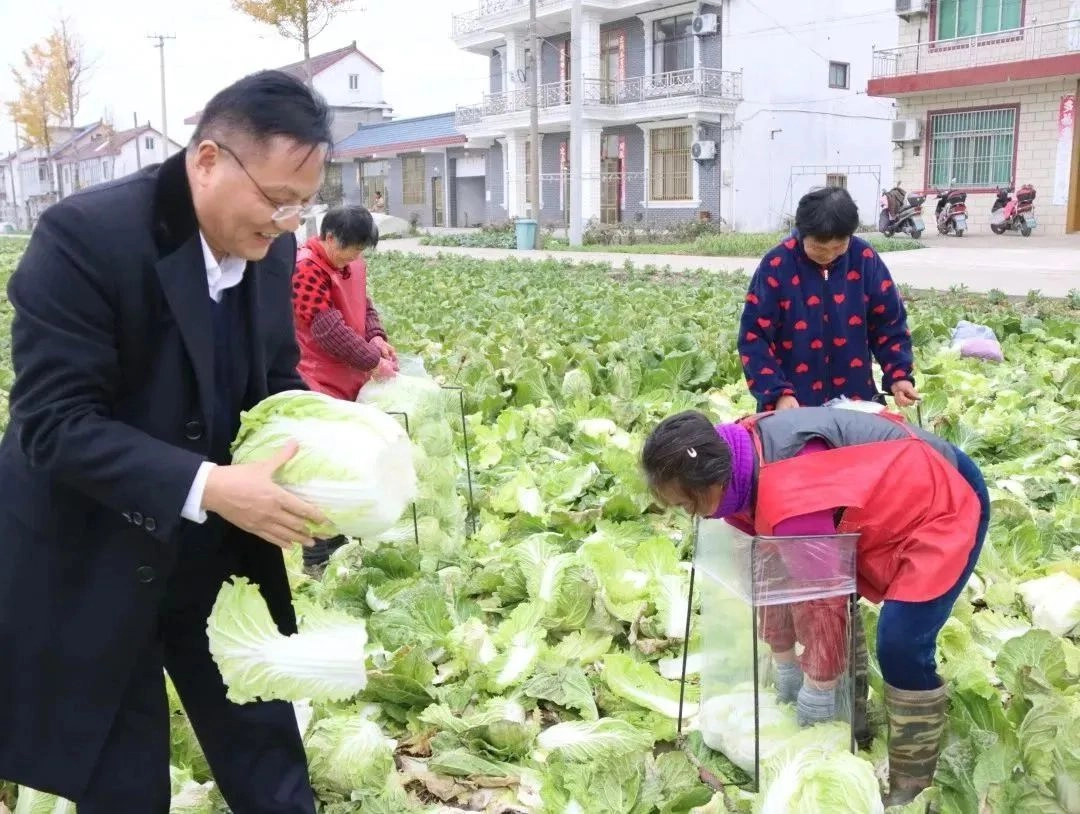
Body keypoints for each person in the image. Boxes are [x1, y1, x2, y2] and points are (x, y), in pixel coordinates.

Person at [0, 70, 334, 813]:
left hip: (216, 551)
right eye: (278, 198)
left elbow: (274, 383)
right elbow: (55, 422)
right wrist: (211, 486)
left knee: (269, 761)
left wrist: (332, 460)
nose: (288, 221)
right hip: (95, 552)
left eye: (302, 203)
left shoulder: (269, 249)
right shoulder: (86, 237)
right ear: (209, 160)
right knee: (123, 786)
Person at [641, 407, 989, 806]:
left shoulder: (791, 495)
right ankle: (854, 724)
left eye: (688, 505)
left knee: (901, 641)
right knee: (833, 597)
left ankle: (912, 777)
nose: (690, 514)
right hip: (880, 500)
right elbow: (772, 578)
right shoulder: (734, 467)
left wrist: (820, 688)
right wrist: (785, 658)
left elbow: (822, 599)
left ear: (710, 481)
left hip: (941, 495)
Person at [738, 187, 920, 412]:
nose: (829, 255)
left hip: (855, 398)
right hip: (791, 403)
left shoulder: (864, 258)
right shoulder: (776, 265)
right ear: (802, 234)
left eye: (838, 247)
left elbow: (889, 324)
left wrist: (899, 375)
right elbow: (754, 337)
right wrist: (777, 393)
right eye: (819, 248)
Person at [291, 204, 397, 574]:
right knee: (319, 468)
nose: (356, 255)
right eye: (352, 247)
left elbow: (363, 307)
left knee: (345, 464)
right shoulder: (305, 268)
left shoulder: (347, 265)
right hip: (315, 377)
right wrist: (372, 361)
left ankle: (337, 542)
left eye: (362, 249)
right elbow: (327, 329)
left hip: (346, 375)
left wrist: (377, 337)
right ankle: (316, 556)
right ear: (330, 237)